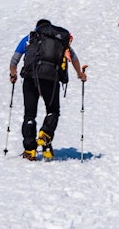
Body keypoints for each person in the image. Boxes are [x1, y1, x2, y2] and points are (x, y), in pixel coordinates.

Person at [9, 19, 87, 160]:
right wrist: (80, 74)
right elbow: (73, 58)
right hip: (51, 79)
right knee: (52, 111)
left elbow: (14, 61)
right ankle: (45, 134)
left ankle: (30, 150)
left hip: (30, 78)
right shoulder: (59, 40)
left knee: (29, 114)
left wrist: (13, 75)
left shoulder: (30, 38)